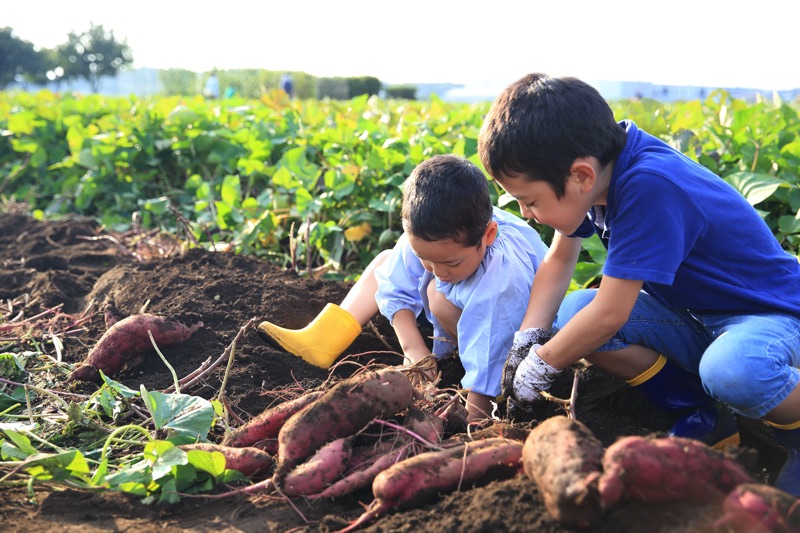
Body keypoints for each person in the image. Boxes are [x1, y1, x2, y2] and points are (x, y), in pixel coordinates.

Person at [477, 72, 800, 495]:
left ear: (580, 177)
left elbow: (612, 314)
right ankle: (703, 416)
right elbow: (559, 260)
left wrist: (543, 363)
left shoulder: (649, 185)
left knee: (732, 370)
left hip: (769, 316)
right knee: (574, 313)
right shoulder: (600, 170)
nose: (527, 212)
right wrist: (529, 338)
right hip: (697, 318)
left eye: (531, 201)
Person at [257, 154, 549, 421]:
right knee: (386, 261)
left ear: (488, 235)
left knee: (438, 295)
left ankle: (456, 360)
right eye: (426, 260)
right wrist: (414, 351)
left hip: (513, 335)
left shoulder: (503, 276)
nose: (439, 272)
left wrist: (477, 415)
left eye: (450, 263)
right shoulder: (435, 230)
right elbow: (394, 284)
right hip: (466, 313)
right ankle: (322, 341)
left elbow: (493, 342)